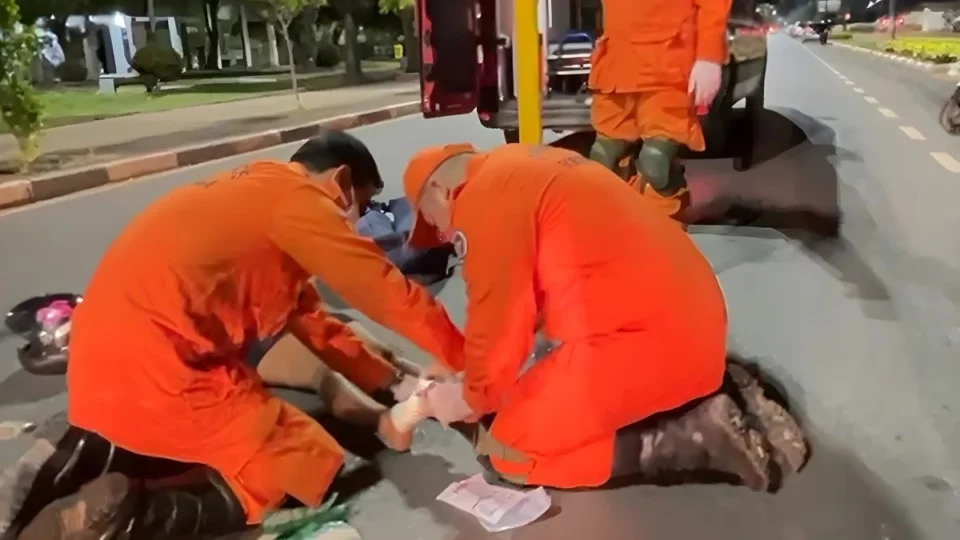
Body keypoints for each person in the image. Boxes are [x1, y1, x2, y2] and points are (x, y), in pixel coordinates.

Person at [6, 130, 464, 540]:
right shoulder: (302, 201)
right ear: (341, 182)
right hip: (161, 369)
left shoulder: (253, 194)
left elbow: (319, 328)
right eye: (361, 207)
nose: (357, 223)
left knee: (211, 430)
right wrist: (462, 358)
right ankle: (130, 515)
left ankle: (69, 465)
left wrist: (395, 385)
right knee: (302, 460)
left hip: (98, 362)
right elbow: (384, 290)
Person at [403, 143, 809, 492]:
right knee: (523, 393)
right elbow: (526, 312)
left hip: (647, 342)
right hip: (690, 330)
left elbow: (498, 323)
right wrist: (469, 371)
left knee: (509, 450)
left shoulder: (480, 200)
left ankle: (697, 435)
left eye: (433, 222)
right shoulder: (525, 167)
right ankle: (703, 392)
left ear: (440, 189)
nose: (442, 236)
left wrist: (465, 398)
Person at [587, 0, 731, 223]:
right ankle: (619, 229)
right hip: (617, 62)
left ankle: (666, 232)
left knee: (656, 163)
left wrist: (709, 57)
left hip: (669, 65)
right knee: (604, 159)